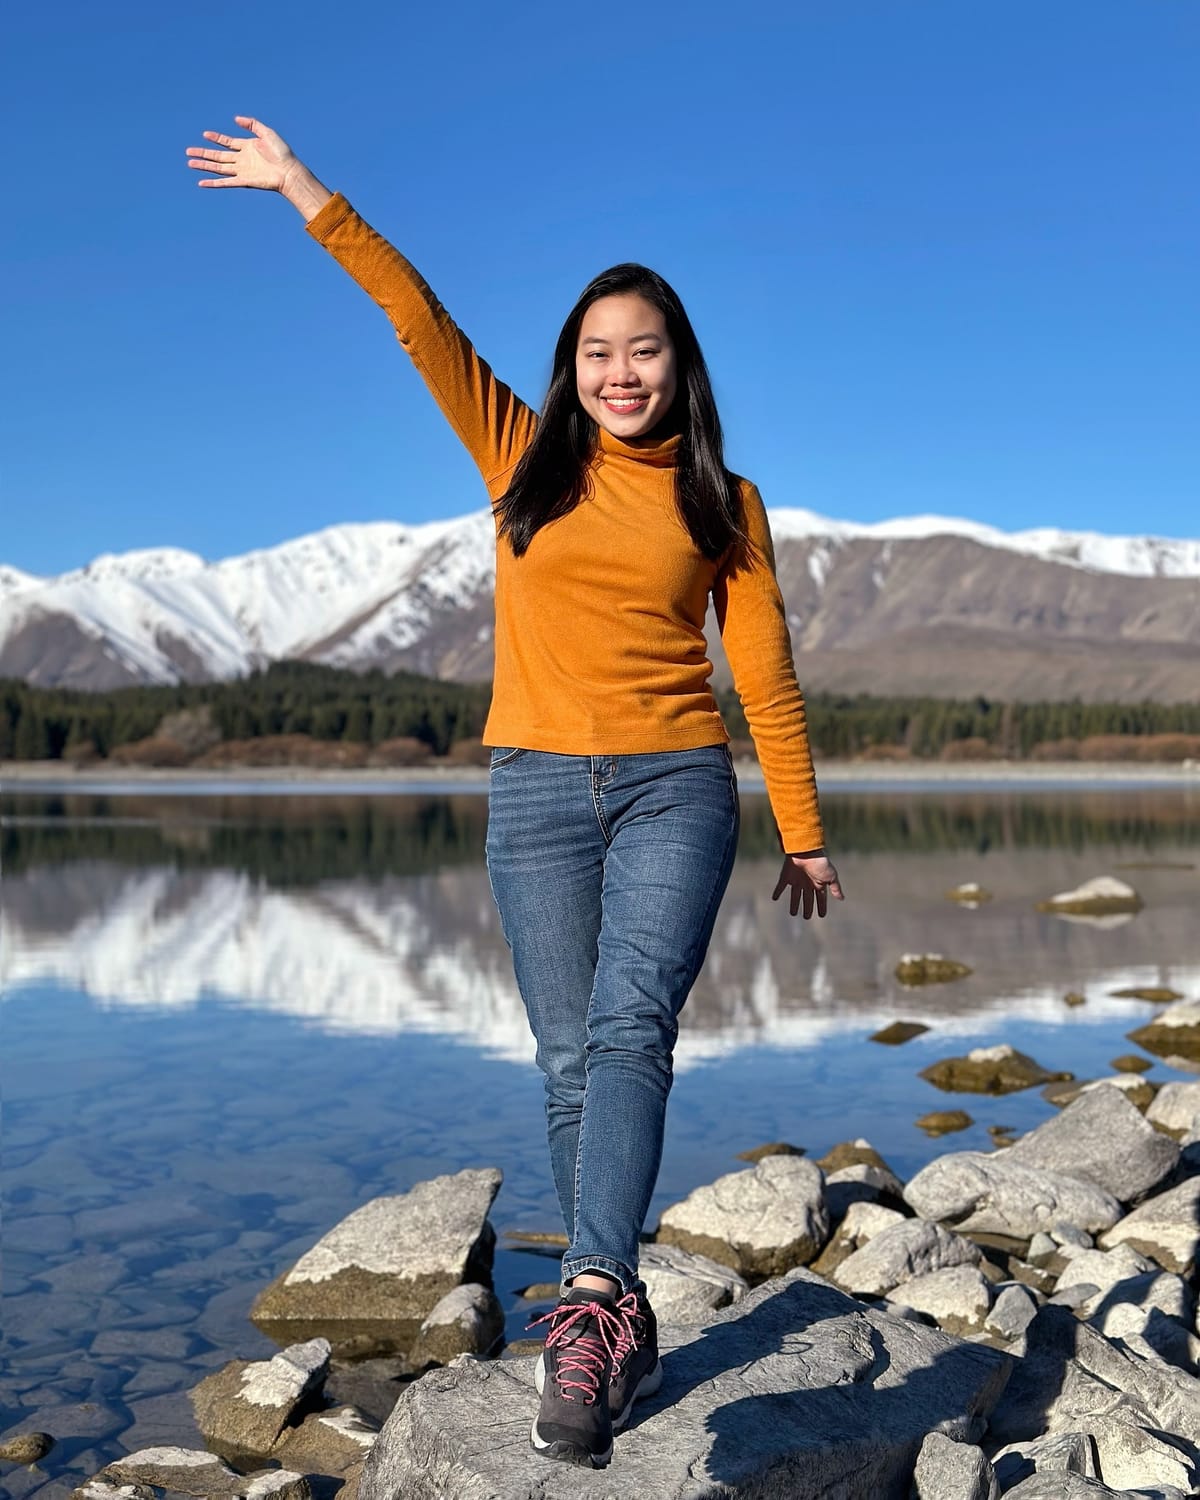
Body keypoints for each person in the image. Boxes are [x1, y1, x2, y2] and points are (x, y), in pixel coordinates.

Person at [186, 116, 845, 1470]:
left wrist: (805, 826)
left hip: (675, 787)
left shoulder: (731, 499)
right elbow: (418, 320)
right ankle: (617, 1306)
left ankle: (592, 1301)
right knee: (562, 1058)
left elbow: (766, 677)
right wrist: (312, 194)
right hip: (535, 791)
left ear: (682, 365)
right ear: (573, 368)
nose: (618, 373)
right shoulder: (521, 455)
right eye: (597, 352)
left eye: (642, 350)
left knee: (625, 1035)